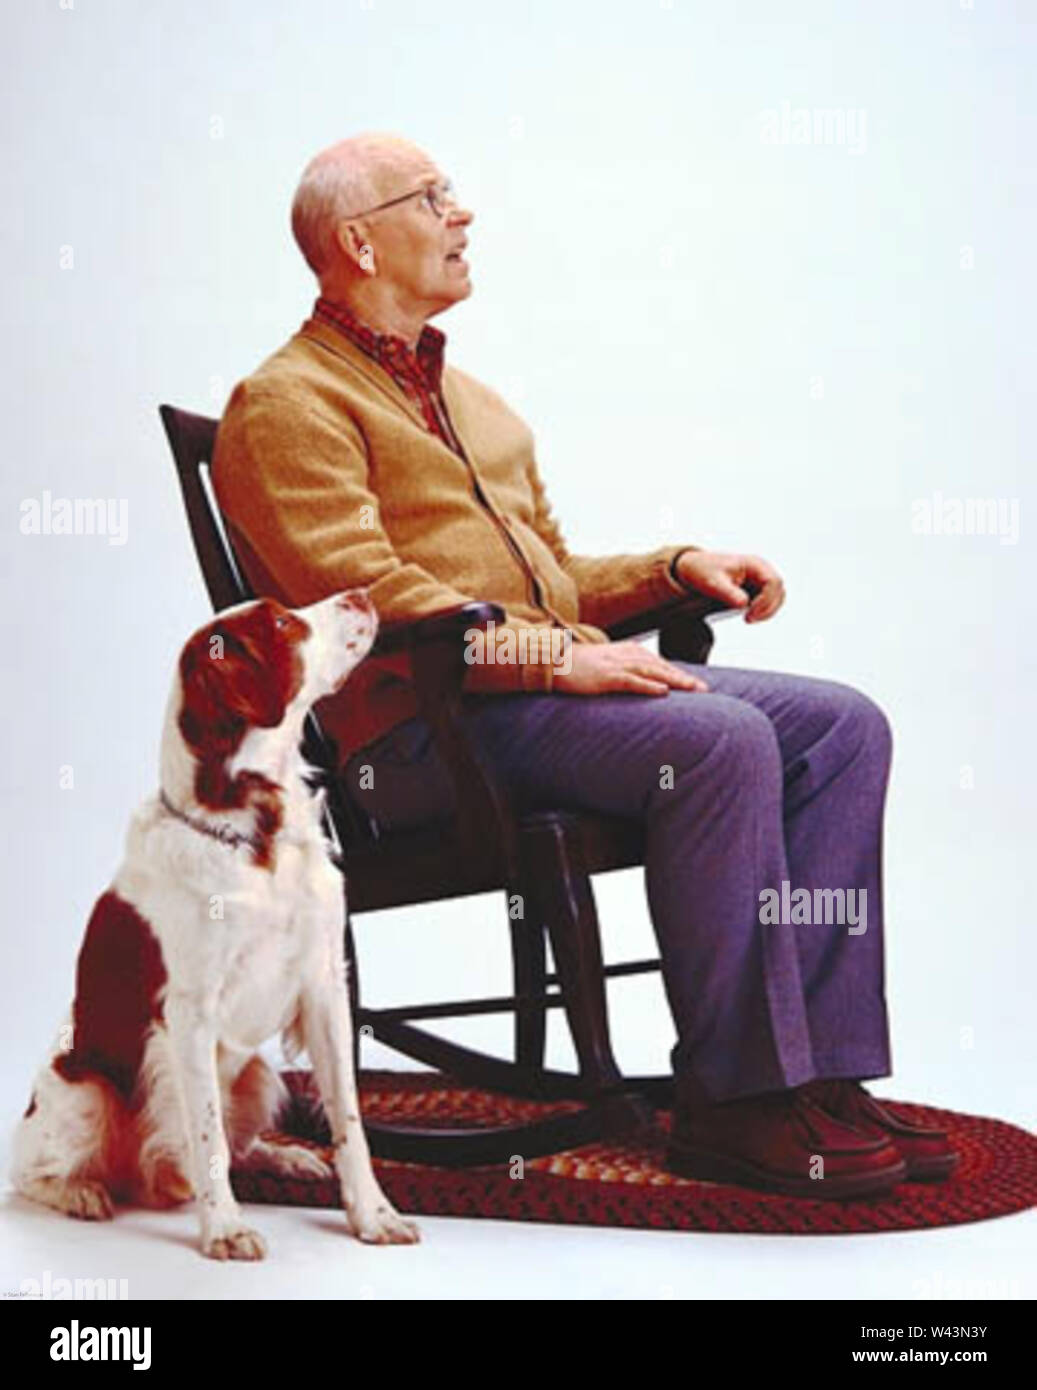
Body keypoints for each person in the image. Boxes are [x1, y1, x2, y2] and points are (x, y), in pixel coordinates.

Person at [212, 131, 957, 1198]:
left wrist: (672, 565)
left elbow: (552, 572)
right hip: (422, 740)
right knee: (715, 739)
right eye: (432, 197)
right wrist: (554, 660)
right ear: (359, 244)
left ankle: (822, 1073)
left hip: (529, 705)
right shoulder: (284, 406)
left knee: (843, 725)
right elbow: (366, 605)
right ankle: (733, 1097)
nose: (462, 214)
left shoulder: (478, 405)